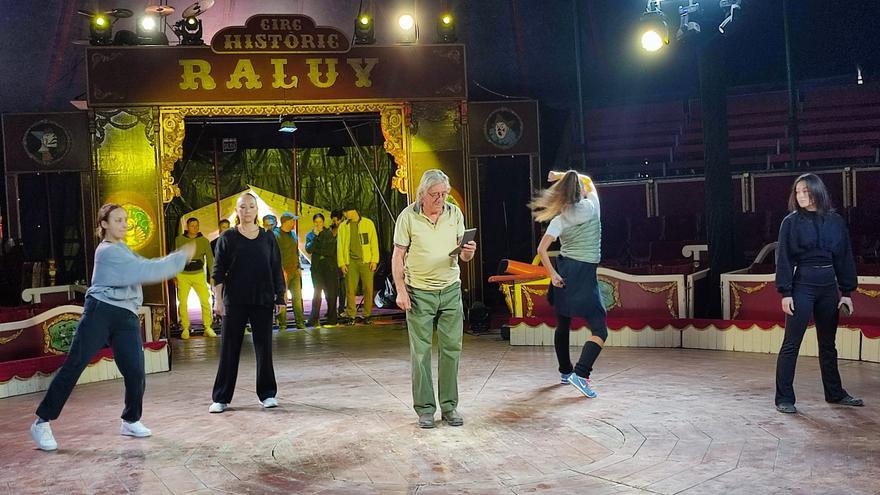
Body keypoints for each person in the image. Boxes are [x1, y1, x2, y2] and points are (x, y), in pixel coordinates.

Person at [30, 203, 195, 451]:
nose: (124, 224)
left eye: (125, 220)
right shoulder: (106, 251)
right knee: (75, 365)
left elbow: (143, 266)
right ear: (104, 224)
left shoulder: (124, 249)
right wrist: (180, 257)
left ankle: (130, 420)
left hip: (126, 315)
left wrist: (175, 259)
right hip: (101, 311)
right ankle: (42, 422)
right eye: (118, 220)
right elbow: (145, 269)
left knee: (135, 370)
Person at [392, 170, 476, 428]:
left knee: (452, 349)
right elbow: (398, 256)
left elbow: (463, 257)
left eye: (444, 193)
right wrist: (401, 290)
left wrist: (468, 252)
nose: (441, 199)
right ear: (422, 194)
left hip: (450, 289)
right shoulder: (408, 217)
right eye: (435, 194)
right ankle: (425, 409)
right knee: (421, 354)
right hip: (419, 292)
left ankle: (450, 407)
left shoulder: (454, 214)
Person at [774, 173, 863, 414]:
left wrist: (846, 293)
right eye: (798, 192)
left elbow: (844, 257)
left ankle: (835, 394)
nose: (801, 195)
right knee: (791, 344)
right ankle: (784, 398)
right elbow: (782, 259)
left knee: (828, 344)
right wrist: (786, 292)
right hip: (802, 285)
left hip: (828, 287)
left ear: (817, 192)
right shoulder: (790, 223)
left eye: (805, 191)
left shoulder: (835, 221)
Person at [531, 170, 606, 399]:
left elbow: (541, 250)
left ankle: (565, 372)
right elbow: (589, 181)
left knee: (563, 323)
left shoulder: (560, 218)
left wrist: (553, 274)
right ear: (580, 190)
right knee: (599, 329)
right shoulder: (592, 206)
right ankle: (581, 373)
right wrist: (562, 174)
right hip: (584, 273)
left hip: (563, 272)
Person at [209, 192, 285, 413]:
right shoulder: (228, 237)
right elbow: (218, 271)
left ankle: (268, 394)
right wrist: (218, 300)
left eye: (251, 207)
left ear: (257, 210)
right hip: (234, 300)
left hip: (262, 299)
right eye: (243, 207)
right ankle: (221, 397)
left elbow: (276, 269)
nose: (247, 211)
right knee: (229, 348)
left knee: (264, 348)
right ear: (237, 211)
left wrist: (280, 296)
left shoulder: (268, 237)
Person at [338, 204, 379, 324]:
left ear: (353, 211)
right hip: (350, 262)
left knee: (368, 288)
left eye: (346, 212)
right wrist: (342, 263)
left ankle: (367, 315)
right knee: (350, 289)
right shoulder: (343, 227)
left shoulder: (367, 223)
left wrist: (374, 260)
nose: (345, 215)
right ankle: (351, 315)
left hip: (366, 261)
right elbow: (340, 246)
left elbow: (373, 242)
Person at [174, 217, 215, 339]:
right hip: (183, 274)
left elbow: (210, 259)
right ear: (187, 227)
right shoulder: (179, 240)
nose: (195, 228)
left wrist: (212, 275)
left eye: (197, 225)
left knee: (205, 300)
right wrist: (174, 275)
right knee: (183, 302)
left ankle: (207, 326)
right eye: (192, 226)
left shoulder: (204, 241)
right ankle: (185, 328)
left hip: (198, 274)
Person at [305, 213, 338, 326]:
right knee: (317, 293)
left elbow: (330, 250)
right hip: (317, 267)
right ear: (314, 223)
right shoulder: (310, 235)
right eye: (316, 222)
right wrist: (316, 237)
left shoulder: (329, 233)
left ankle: (332, 318)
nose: (318, 224)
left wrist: (319, 251)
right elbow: (309, 249)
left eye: (320, 222)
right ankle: (314, 319)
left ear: (323, 222)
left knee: (330, 293)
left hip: (329, 266)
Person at [275, 212, 305, 330]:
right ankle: (283, 324)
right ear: (286, 222)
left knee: (297, 298)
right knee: (283, 299)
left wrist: (298, 267)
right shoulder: (276, 235)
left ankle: (300, 322)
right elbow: (275, 255)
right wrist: (280, 271)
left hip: (295, 271)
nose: (294, 223)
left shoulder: (293, 234)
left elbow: (295, 252)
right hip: (283, 272)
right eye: (292, 221)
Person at [330, 209, 347, 316]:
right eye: (333, 220)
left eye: (336, 220)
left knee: (343, 288)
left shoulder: (345, 229)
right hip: (333, 263)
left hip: (343, 262)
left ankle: (341, 309)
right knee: (332, 288)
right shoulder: (330, 231)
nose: (334, 222)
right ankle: (332, 310)